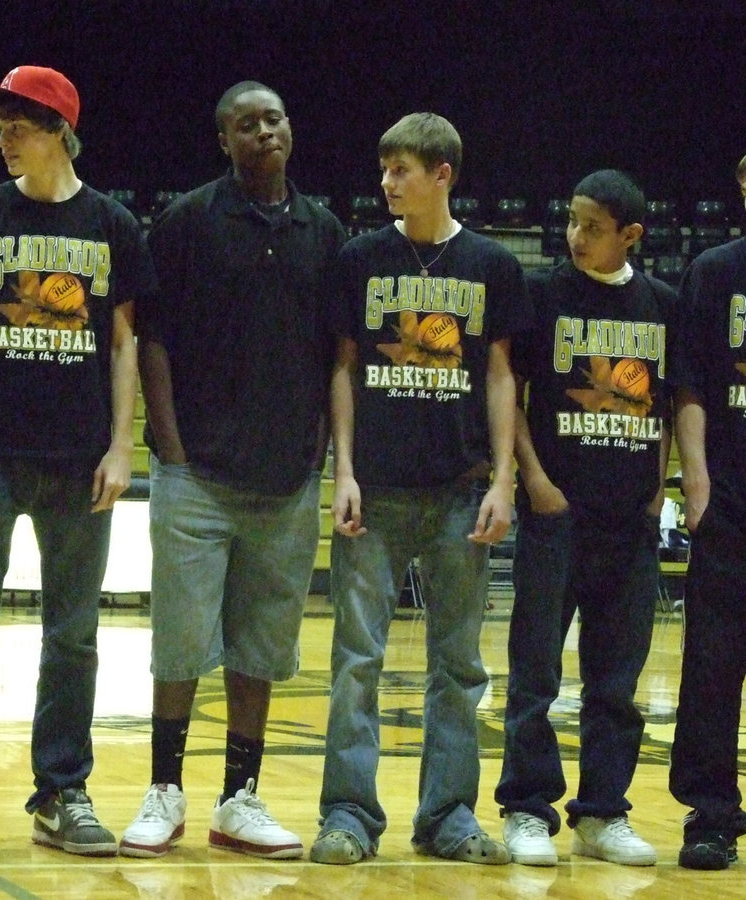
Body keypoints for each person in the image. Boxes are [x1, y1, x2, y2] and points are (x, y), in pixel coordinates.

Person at [0, 65, 153, 859]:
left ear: (56, 128)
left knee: (75, 635)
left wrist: (124, 444)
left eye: (15, 125)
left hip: (81, 457)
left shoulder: (113, 225)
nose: (2, 137)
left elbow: (122, 344)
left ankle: (62, 790)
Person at [119, 80, 345, 861]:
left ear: (290, 128)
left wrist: (317, 446)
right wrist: (171, 448)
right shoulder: (185, 223)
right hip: (198, 475)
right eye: (246, 125)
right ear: (224, 141)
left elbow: (334, 353)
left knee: (259, 650)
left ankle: (240, 800)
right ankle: (164, 790)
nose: (264, 132)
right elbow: (153, 341)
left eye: (274, 119)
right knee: (179, 645)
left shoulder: (324, 230)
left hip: (285, 479)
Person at [315, 112, 530, 866]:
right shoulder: (360, 259)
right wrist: (342, 470)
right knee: (355, 662)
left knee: (459, 668)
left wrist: (503, 481)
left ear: (443, 175)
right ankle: (347, 814)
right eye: (383, 169)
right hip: (372, 490)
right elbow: (342, 368)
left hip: (461, 492)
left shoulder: (492, 266)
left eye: (400, 169)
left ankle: (447, 817)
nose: (385, 183)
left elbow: (502, 376)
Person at [495, 170, 671, 868]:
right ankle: (527, 808)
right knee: (535, 674)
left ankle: (602, 813)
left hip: (629, 522)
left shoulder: (662, 304)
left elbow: (665, 405)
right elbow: (511, 392)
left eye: (591, 227)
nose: (574, 236)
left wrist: (659, 492)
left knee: (617, 683)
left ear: (631, 235)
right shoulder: (542, 295)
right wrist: (534, 479)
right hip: (556, 515)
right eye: (571, 220)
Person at [667, 158, 746, 871]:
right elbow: (688, 382)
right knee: (715, 663)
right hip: (732, 501)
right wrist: (697, 481)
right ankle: (711, 814)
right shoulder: (715, 272)